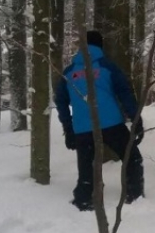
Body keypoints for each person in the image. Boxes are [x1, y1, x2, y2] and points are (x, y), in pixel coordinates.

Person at [54, 30, 145, 210]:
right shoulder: (107, 66)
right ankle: (134, 195)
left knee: (86, 166)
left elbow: (61, 101)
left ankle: (84, 200)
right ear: (100, 46)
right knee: (132, 157)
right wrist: (136, 120)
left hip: (82, 129)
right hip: (112, 125)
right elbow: (125, 93)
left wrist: (68, 128)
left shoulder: (69, 72)